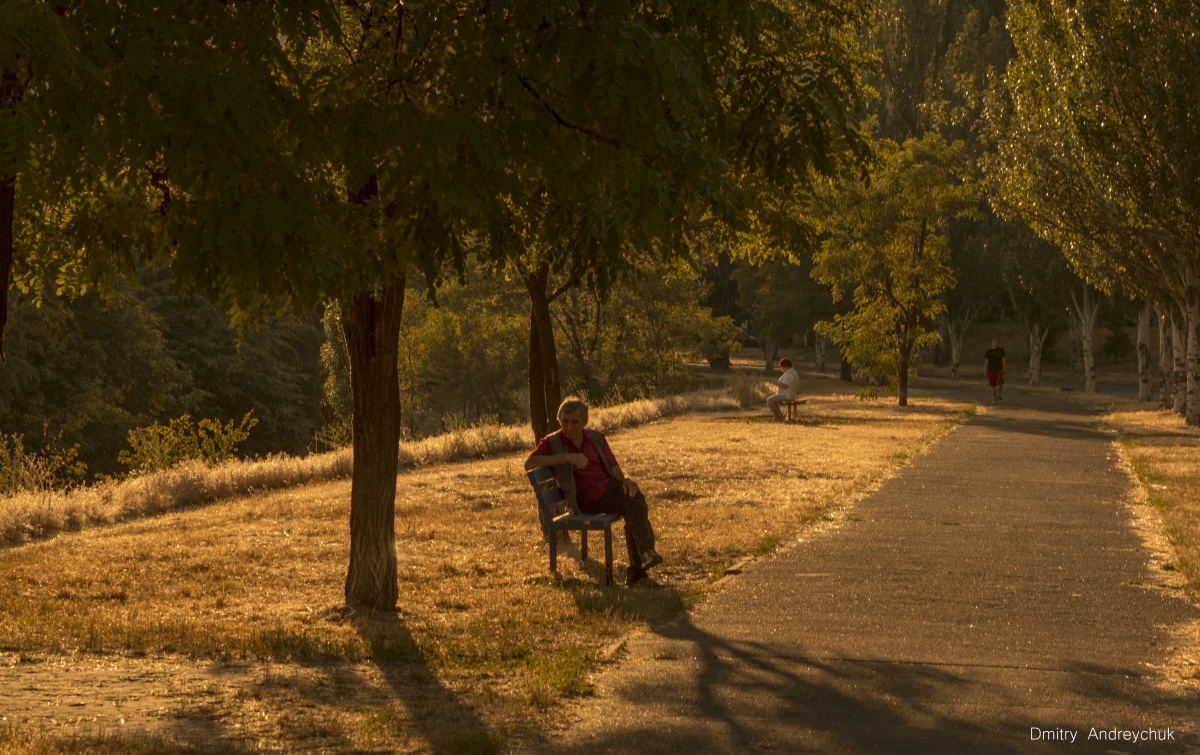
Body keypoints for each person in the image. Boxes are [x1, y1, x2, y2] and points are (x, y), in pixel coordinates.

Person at [525, 397, 663, 587]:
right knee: (632, 503)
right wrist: (566, 457)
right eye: (565, 421)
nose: (569, 427)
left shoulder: (596, 438)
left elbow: (615, 469)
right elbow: (529, 463)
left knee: (633, 497)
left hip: (609, 489)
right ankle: (641, 564)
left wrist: (627, 479)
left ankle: (641, 567)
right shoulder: (553, 442)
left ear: (584, 422)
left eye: (575, 422)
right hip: (586, 499)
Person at [767, 358, 800, 422]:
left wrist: (776, 383)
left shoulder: (790, 374)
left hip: (786, 395)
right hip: (787, 394)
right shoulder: (790, 372)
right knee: (772, 400)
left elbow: (784, 385)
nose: (781, 368)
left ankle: (779, 417)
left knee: (770, 400)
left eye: (781, 367)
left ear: (786, 366)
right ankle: (778, 416)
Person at [984, 338, 1006, 402]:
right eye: (995, 342)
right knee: (993, 385)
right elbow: (986, 361)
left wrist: (1004, 368)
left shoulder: (1001, 350)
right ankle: (994, 397)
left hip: (999, 369)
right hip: (991, 369)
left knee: (1001, 382)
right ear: (992, 343)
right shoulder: (989, 351)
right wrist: (985, 370)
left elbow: (1003, 359)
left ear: (999, 343)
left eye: (997, 342)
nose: (996, 344)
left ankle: (999, 394)